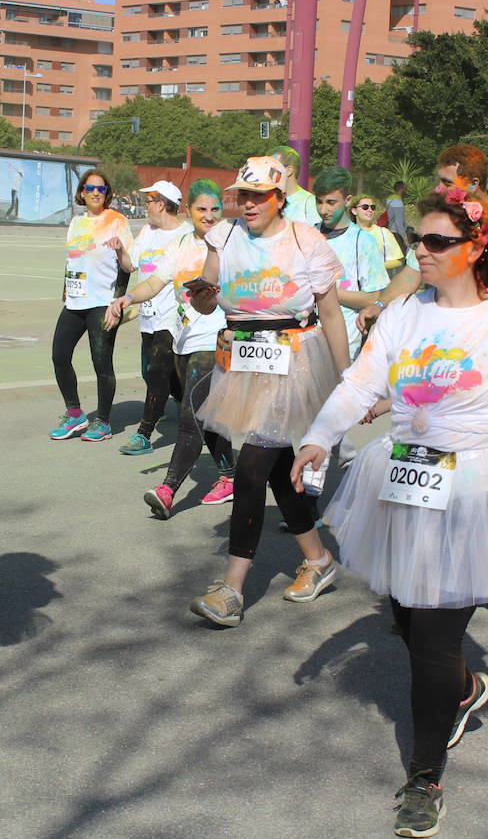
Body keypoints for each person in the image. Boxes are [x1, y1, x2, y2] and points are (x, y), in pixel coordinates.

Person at [294, 185, 488, 838]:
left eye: (438, 241)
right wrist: (319, 435)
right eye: (419, 238)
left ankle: (425, 777)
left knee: (434, 642)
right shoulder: (406, 313)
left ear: (476, 249)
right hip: (406, 477)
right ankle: (466, 689)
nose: (422, 249)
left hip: (475, 486)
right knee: (410, 624)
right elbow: (363, 382)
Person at [185, 155, 351, 626]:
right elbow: (208, 302)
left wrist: (346, 379)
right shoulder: (224, 236)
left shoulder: (306, 239)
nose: (250, 204)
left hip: (295, 361)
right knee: (277, 469)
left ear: (280, 198)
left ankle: (231, 589)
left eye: (260, 195)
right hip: (241, 360)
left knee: (254, 467)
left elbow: (332, 313)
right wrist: (202, 298)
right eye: (243, 195)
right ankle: (319, 562)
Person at [356, 144, 488, 392]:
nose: (439, 189)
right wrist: (379, 305)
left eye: (447, 183)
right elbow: (412, 274)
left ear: (473, 183)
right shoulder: (441, 220)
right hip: (445, 341)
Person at [105, 180, 236, 517]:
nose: (208, 216)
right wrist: (128, 297)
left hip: (216, 339)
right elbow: (155, 281)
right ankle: (230, 477)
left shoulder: (231, 244)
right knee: (205, 414)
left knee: (191, 415)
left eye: (214, 209)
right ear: (189, 210)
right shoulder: (180, 243)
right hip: (184, 338)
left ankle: (168, 489)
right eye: (201, 209)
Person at [49, 169, 134, 442]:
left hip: (102, 303)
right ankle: (74, 414)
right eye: (90, 188)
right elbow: (72, 261)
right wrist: (65, 293)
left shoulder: (117, 221)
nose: (96, 193)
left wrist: (117, 304)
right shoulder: (76, 221)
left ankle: (104, 422)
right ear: (82, 192)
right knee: (59, 356)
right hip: (75, 303)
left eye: (101, 189)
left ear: (107, 193)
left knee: (101, 363)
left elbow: (129, 267)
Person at [117, 180, 187, 456]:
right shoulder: (146, 231)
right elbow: (131, 264)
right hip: (148, 316)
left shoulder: (186, 235)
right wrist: (119, 250)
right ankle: (194, 411)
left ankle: (143, 434)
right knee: (155, 373)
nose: (146, 204)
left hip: (173, 317)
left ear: (162, 203)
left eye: (149, 200)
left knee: (158, 371)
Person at [313, 167, 390, 357]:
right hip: (307, 341)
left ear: (348, 201)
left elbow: (373, 297)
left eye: (331, 203)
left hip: (346, 344)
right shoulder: (307, 235)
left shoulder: (363, 242)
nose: (324, 210)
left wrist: (323, 291)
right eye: (319, 202)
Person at [350, 192, 405, 276]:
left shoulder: (384, 233)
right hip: (351, 284)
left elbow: (397, 261)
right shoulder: (346, 234)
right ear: (354, 211)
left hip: (379, 285)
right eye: (365, 207)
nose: (370, 210)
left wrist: (374, 266)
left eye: (372, 207)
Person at [269, 146, 320, 226]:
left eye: (272, 169)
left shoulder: (309, 202)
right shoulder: (267, 200)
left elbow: (317, 235)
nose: (267, 173)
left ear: (289, 171)